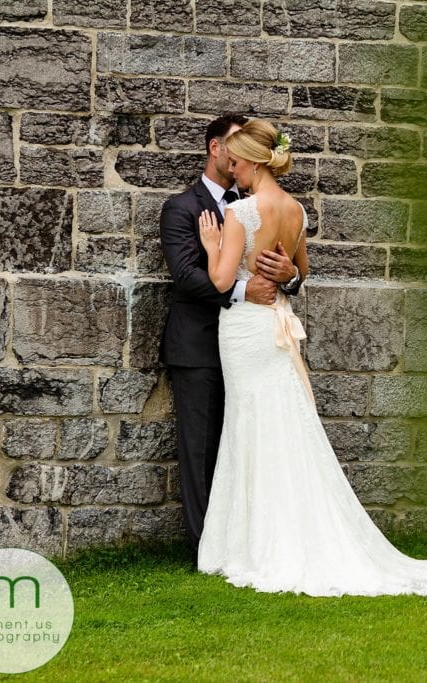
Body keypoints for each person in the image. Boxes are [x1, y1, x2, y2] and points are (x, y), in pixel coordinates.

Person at [195, 119, 427, 596]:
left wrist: (212, 247)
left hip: (248, 331)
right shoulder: (296, 211)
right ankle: (275, 535)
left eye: (234, 163)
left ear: (250, 160)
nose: (232, 171)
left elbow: (219, 280)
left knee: (250, 423)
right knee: (277, 422)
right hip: (277, 324)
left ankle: (254, 544)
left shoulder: (240, 214)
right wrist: (289, 270)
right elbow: (301, 273)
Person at [159, 114, 304, 565]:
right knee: (203, 450)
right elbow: (185, 276)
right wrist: (247, 288)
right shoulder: (182, 206)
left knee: (250, 440)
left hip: (250, 340)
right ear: (216, 149)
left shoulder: (250, 205)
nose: (237, 160)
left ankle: (248, 543)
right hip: (201, 345)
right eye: (232, 146)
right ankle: (210, 546)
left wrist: (290, 275)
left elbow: (292, 269)